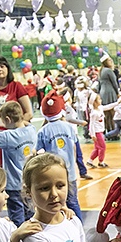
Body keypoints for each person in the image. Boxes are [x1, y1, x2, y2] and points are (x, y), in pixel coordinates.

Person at [0, 101, 36, 227]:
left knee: (17, 218)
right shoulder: (32, 130)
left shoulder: (8, 136)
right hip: (29, 182)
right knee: (31, 215)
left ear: (7, 119)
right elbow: (25, 123)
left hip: (13, 185)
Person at [36, 90, 84, 220]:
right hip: (70, 171)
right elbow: (75, 148)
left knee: (56, 203)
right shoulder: (69, 127)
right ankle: (78, 225)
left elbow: (39, 153)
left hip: (53, 175)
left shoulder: (42, 131)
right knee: (73, 202)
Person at [99, 54, 120, 136]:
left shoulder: (101, 71)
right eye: (109, 60)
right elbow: (114, 83)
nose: (111, 61)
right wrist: (118, 93)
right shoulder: (108, 70)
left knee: (106, 114)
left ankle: (108, 129)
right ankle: (114, 132)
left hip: (103, 92)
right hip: (110, 92)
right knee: (112, 113)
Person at [86, 93, 108, 169]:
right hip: (97, 132)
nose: (101, 100)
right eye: (99, 99)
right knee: (102, 147)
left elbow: (107, 107)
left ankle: (90, 160)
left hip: (100, 131)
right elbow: (91, 124)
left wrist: (116, 103)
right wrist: (92, 134)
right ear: (94, 102)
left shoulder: (100, 108)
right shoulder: (94, 113)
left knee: (97, 147)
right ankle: (101, 161)